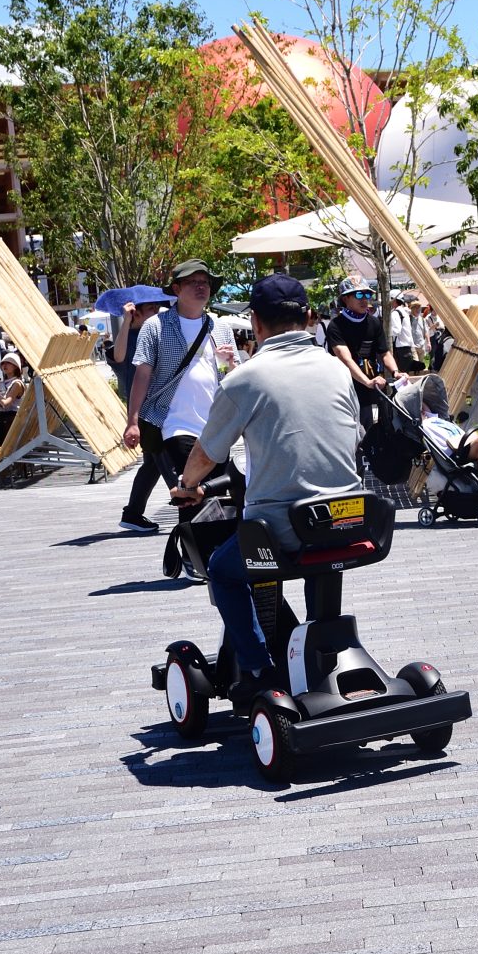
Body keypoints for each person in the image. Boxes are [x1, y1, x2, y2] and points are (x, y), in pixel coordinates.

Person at [169, 273, 362, 702]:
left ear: (255, 322)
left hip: (280, 528)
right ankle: (320, 655)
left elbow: (206, 453)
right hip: (348, 517)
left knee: (222, 569)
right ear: (308, 317)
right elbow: (352, 436)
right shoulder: (336, 369)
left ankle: (258, 669)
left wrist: (187, 485)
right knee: (321, 556)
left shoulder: (246, 379)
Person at [120, 260, 223, 538]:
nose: (201, 287)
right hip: (174, 423)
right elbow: (142, 374)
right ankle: (191, 553)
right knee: (189, 492)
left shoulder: (218, 327)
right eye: (193, 282)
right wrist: (132, 421)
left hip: (215, 424)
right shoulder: (156, 326)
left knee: (215, 494)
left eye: (205, 282)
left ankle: (210, 550)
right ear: (176, 289)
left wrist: (230, 363)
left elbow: (228, 374)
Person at [416, 373, 478, 481]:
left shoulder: (435, 418)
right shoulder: (423, 425)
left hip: (464, 444)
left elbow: (424, 405)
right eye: (420, 411)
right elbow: (417, 407)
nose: (423, 411)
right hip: (454, 452)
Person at [326, 280, 399, 390]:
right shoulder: (335, 325)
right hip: (345, 387)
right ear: (345, 299)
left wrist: (396, 372)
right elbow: (346, 359)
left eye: (367, 294)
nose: (364, 299)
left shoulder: (374, 322)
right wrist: (367, 382)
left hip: (373, 383)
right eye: (359, 294)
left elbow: (384, 353)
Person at [0, 353, 29, 447]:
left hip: (12, 420)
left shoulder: (17, 383)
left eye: (9, 363)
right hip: (3, 420)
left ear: (16, 366)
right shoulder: (2, 383)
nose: (5, 365)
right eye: (3, 363)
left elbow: (6, 403)